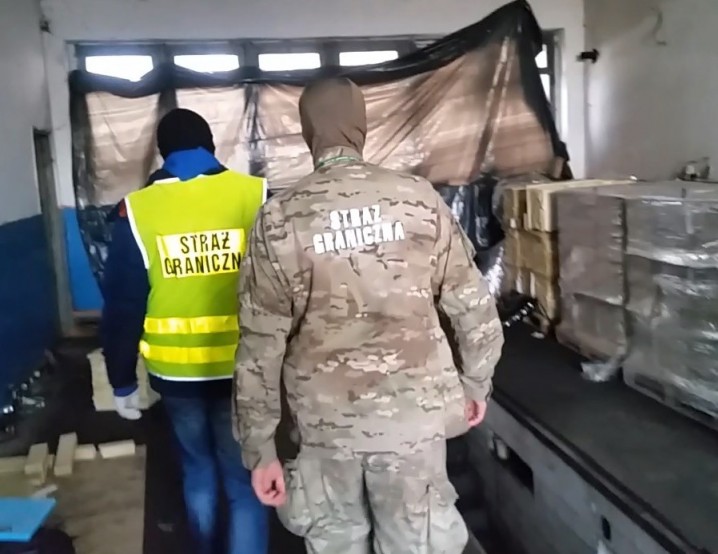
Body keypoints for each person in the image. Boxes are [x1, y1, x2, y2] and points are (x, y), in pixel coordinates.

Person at [232, 77, 505, 553]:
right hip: (412, 424)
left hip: (325, 432)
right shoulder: (418, 200)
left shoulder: (279, 219)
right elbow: (474, 307)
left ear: (307, 132)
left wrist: (260, 449)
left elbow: (259, 348)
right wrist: (475, 384)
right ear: (362, 127)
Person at [101, 108, 269, 554]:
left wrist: (121, 380)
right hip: (244, 370)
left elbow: (122, 304)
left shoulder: (138, 210)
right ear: (211, 146)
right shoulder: (255, 194)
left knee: (198, 469)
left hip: (175, 376)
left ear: (163, 153)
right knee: (243, 479)